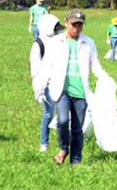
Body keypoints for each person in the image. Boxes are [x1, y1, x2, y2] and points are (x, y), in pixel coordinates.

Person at [35, 8, 112, 165]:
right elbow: (46, 66)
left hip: (80, 91)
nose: (76, 29)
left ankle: (76, 161)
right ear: (66, 22)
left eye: (80, 25)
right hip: (61, 89)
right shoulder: (55, 42)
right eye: (73, 25)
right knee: (62, 120)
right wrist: (40, 88)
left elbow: (94, 65)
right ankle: (64, 148)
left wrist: (106, 77)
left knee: (78, 129)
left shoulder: (88, 43)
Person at [30, 14, 65, 152]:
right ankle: (44, 143)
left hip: (60, 81)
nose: (57, 32)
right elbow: (35, 69)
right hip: (45, 85)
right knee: (48, 114)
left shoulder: (59, 41)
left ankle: (63, 141)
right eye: (54, 29)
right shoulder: (38, 45)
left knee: (63, 113)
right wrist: (38, 89)